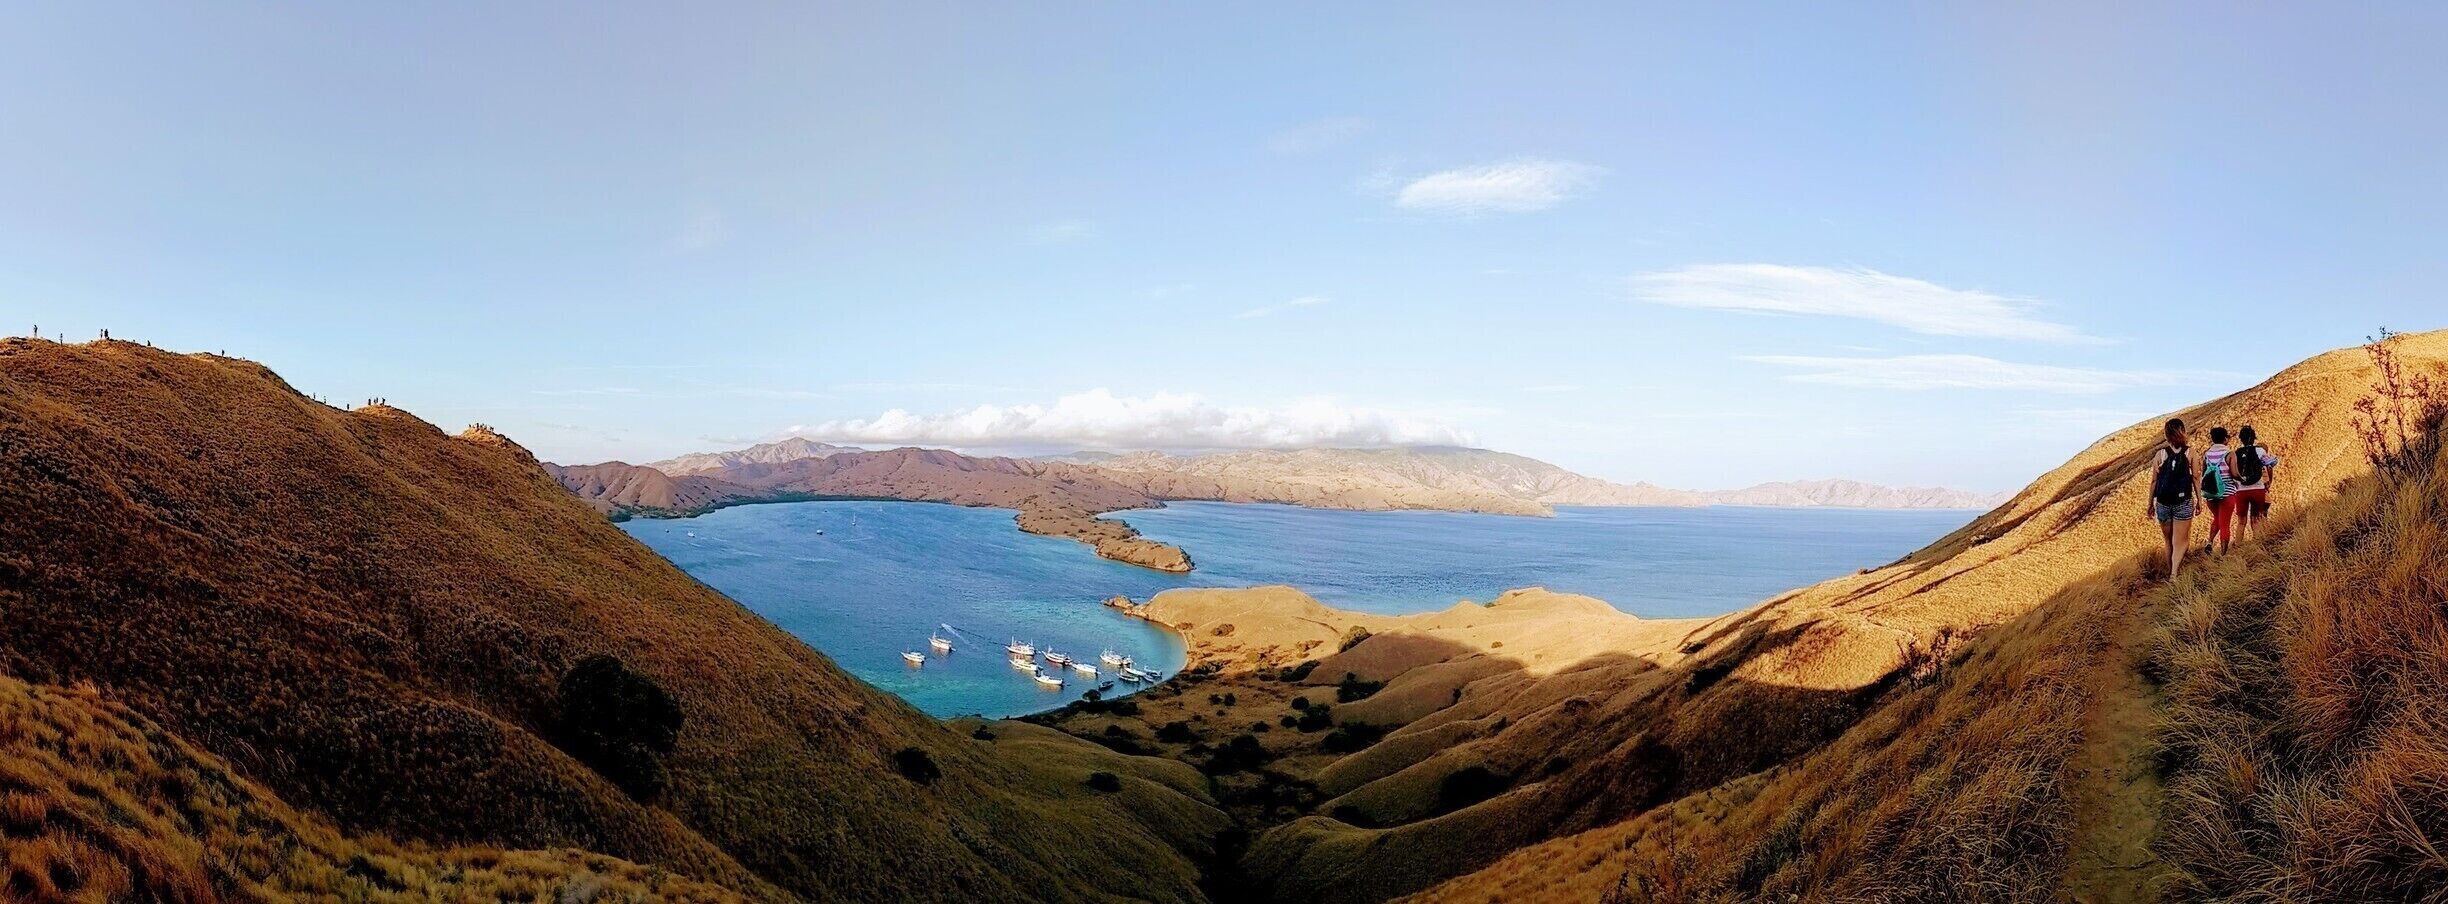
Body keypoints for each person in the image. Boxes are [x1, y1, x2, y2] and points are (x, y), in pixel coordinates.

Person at [2147, 418, 2197, 579]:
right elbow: (2196, 477)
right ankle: (2174, 573)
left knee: (2168, 540)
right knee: (2181, 542)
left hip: (2162, 502)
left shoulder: (2160, 454)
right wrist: (2199, 501)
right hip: (2183, 502)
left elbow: (2154, 480)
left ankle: (2170, 573)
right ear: (2183, 431)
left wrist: (2150, 504)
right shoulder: (2191, 453)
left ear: (2166, 435)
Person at [2230, 425, 2280, 542]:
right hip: (2257, 489)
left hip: (2241, 491)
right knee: (2256, 520)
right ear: (2254, 438)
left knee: (2241, 523)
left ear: (2241, 439)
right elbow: (2270, 463)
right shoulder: (2260, 451)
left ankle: (2238, 549)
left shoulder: (2235, 453)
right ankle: (2256, 546)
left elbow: (2232, 472)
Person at [2200, 426, 2237, 554]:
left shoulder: (2207, 454)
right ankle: (2223, 554)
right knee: (2225, 523)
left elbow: (2204, 473)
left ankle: (2210, 542)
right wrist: (2242, 479)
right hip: (2226, 492)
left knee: (2217, 518)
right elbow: (2234, 473)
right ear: (2225, 438)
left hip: (2210, 493)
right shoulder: (2230, 454)